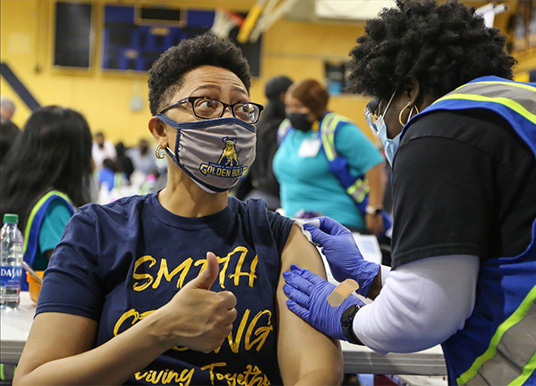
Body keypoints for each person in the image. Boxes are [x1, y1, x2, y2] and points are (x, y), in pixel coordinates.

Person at [13, 33, 343, 385]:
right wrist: (160, 330)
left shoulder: (280, 237)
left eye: (242, 108)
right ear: (160, 131)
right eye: (206, 104)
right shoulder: (97, 230)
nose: (229, 120)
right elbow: (34, 380)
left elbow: (316, 372)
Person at [282, 1, 536, 385]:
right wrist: (375, 278)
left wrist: (345, 315)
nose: (380, 121)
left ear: (409, 90)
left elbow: (422, 316)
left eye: (379, 104)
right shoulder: (518, 108)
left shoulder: (440, 130)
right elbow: (493, 267)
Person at [273, 79, 386, 234]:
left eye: (298, 106)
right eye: (289, 106)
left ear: (315, 107)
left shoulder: (338, 129)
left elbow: (375, 164)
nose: (292, 112)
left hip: (338, 225)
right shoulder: (287, 130)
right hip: (294, 222)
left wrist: (374, 209)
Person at [0, 106, 94, 284]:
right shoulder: (53, 208)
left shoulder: (12, 191)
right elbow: (70, 278)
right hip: (33, 306)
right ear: (75, 157)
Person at [245, 75, 293, 210]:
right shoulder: (284, 128)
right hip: (277, 200)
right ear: (284, 96)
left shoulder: (259, 124)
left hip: (255, 193)